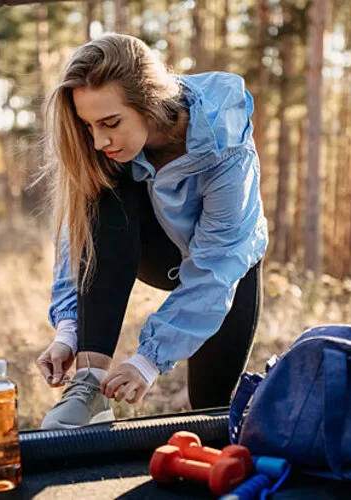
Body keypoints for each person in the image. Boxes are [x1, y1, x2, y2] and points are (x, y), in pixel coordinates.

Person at [36, 33, 268, 430]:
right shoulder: (103, 151)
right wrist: (70, 328)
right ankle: (90, 385)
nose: (100, 139)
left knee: (210, 411)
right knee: (104, 188)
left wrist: (148, 360)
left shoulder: (228, 151)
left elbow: (217, 266)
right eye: (89, 125)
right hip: (148, 251)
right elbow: (78, 238)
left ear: (149, 102)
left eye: (110, 122)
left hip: (225, 265)